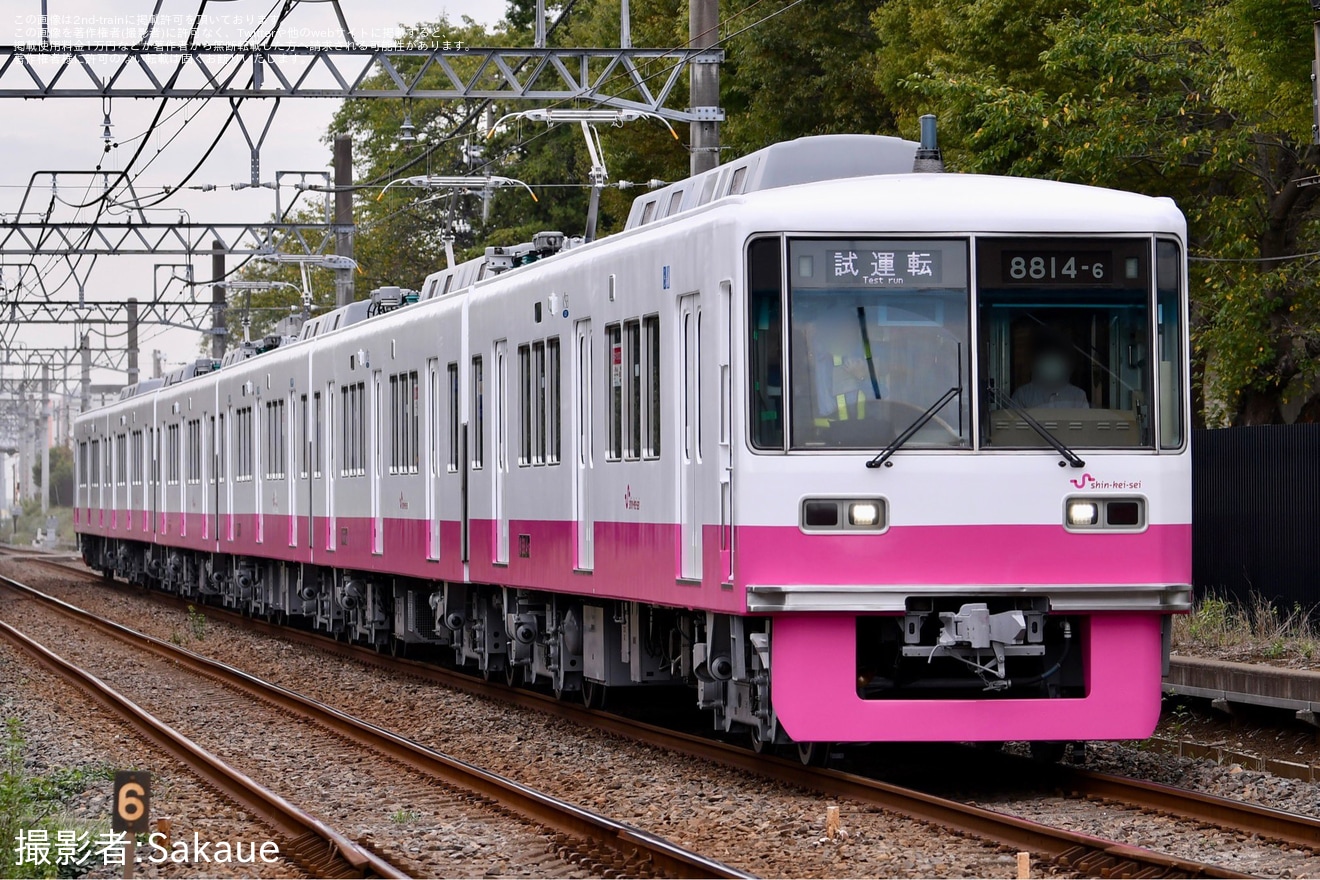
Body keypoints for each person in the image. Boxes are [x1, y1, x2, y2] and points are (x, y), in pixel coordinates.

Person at [1012, 346, 1089, 409]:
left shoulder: (1078, 396)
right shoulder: (1023, 394)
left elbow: (1086, 426)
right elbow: (1014, 425)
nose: (1051, 365)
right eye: (1047, 359)